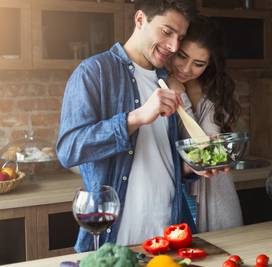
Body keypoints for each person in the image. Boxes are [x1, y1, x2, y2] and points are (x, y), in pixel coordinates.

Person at [56, 0, 198, 252]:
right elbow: (69, 150)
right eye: (166, 32)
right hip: (114, 240)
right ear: (140, 19)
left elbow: (160, 160)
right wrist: (136, 117)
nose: (173, 46)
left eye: (180, 37)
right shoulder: (93, 72)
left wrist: (195, 166)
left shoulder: (167, 80)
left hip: (169, 235)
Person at [167, 16, 243, 232]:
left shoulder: (214, 94)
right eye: (182, 56)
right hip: (173, 200)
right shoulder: (156, 85)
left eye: (198, 64)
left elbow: (200, 149)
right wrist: (176, 90)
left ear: (210, 64)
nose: (186, 68)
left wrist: (180, 93)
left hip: (216, 199)